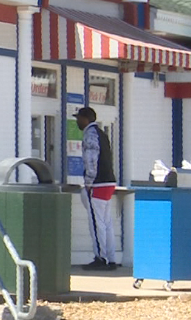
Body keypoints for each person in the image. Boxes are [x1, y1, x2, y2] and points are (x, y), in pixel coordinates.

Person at [74, 106, 117, 270]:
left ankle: (101, 258)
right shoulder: (102, 134)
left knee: (96, 223)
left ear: (86, 119)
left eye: (79, 118)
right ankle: (111, 258)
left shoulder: (90, 135)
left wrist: (89, 182)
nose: (77, 121)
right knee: (107, 223)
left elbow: (91, 160)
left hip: (97, 184)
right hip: (109, 182)